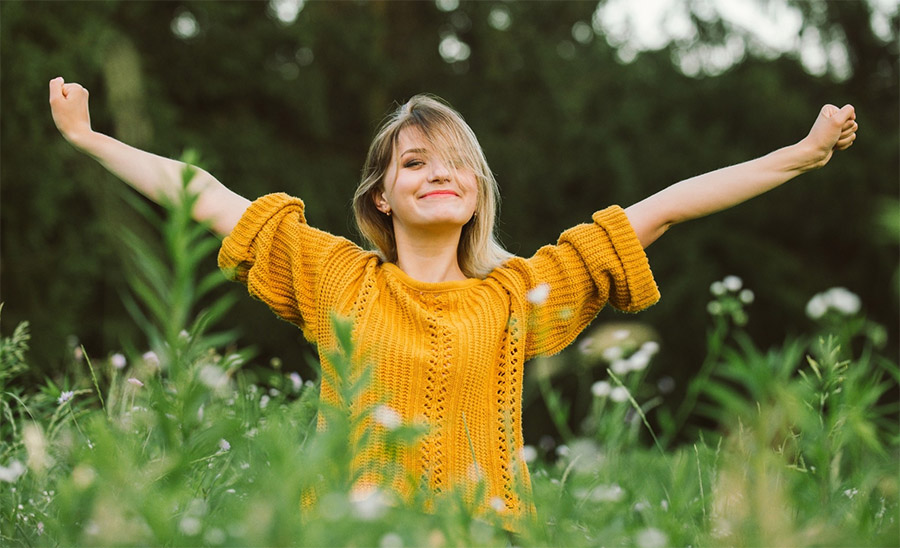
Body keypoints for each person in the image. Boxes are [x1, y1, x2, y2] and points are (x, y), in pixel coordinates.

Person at [48, 77, 857, 524]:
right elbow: (206, 194)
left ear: (476, 193)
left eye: (454, 163)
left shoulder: (519, 295)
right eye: (413, 163)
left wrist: (800, 154)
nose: (438, 173)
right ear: (382, 199)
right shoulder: (336, 277)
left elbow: (666, 207)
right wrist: (90, 138)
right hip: (347, 534)